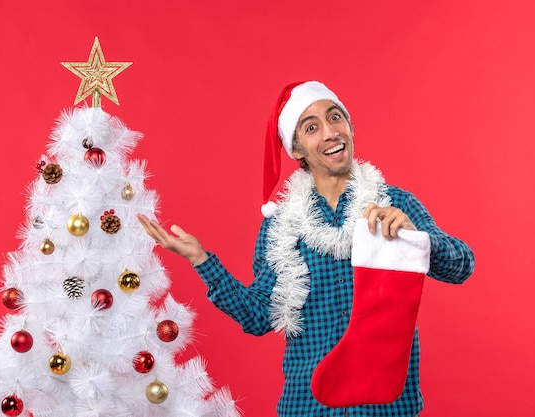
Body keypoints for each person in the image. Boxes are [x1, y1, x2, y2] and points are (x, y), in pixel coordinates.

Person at [137, 81, 475, 416]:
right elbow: (259, 318)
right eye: (311, 127)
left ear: (350, 127)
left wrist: (416, 238)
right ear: (296, 149)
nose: (330, 133)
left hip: (388, 406)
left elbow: (462, 266)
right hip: (308, 405)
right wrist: (201, 260)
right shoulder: (281, 225)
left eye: (335, 118)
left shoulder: (394, 203)